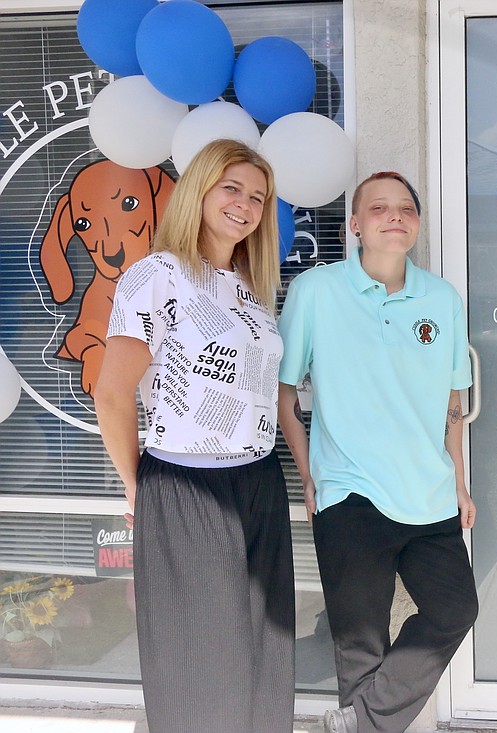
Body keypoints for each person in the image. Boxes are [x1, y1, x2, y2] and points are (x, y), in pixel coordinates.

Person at [94, 139, 294, 733]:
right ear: (198, 191)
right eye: (232, 188)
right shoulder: (156, 276)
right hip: (186, 485)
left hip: (258, 481)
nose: (245, 205)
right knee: (200, 659)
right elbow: (111, 394)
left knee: (266, 647)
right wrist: (138, 486)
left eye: (257, 196)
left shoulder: (250, 286)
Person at [277, 171, 478, 733]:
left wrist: (459, 482)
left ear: (417, 224)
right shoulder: (316, 291)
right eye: (380, 208)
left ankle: (357, 724)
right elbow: (284, 392)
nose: (395, 216)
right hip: (351, 492)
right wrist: (309, 474)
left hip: (428, 492)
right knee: (360, 644)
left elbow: (452, 399)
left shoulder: (441, 297)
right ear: (355, 225)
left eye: (407, 208)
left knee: (456, 610)